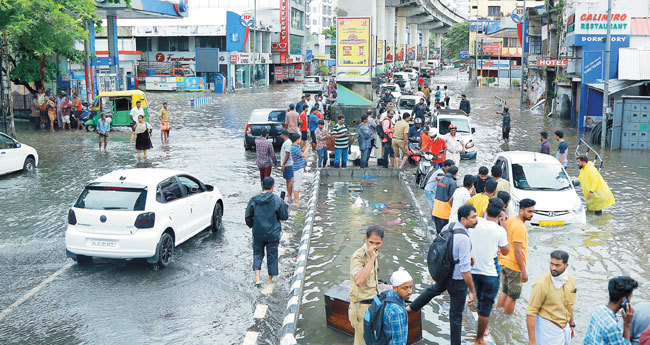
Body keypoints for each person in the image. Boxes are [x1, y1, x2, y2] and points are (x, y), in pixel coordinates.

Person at [407, 205, 478, 345]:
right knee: (455, 317)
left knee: (433, 290)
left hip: (444, 274)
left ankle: (411, 307)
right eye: (473, 217)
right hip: (457, 281)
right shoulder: (464, 239)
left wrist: (465, 257)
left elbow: (445, 248)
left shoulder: (449, 227)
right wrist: (472, 290)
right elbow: (465, 271)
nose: (476, 220)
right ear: (463, 219)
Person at [471, 198, 510, 345]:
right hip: (489, 272)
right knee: (486, 306)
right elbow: (506, 251)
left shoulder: (475, 222)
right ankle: (480, 337)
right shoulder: (499, 230)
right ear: (500, 214)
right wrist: (504, 227)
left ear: (486, 210)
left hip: (472, 269)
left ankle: (480, 317)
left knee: (479, 297)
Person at [245, 177, 289, 287]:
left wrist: (253, 226)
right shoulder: (277, 200)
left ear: (262, 185)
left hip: (258, 232)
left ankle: (257, 279)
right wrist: (284, 204)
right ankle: (269, 281)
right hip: (273, 233)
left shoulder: (254, 200)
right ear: (273, 187)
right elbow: (284, 216)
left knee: (257, 254)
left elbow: (248, 217)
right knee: (272, 255)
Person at [525, 250, 576, 345]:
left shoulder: (571, 281)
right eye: (552, 264)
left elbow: (571, 305)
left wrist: (571, 325)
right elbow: (531, 312)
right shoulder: (541, 284)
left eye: (557, 265)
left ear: (566, 265)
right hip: (547, 328)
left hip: (565, 328)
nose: (553, 268)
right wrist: (532, 340)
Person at [497, 198, 536, 315]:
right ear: (521, 211)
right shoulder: (520, 227)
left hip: (504, 261)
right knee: (513, 296)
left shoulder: (511, 220)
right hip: (514, 265)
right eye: (529, 211)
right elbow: (518, 251)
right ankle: (507, 319)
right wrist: (523, 271)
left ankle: (498, 314)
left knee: (504, 292)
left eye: (533, 211)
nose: (532, 214)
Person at [349, 226, 385, 345]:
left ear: (382, 242)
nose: (374, 246)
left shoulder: (374, 253)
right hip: (361, 307)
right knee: (361, 342)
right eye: (371, 242)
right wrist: (371, 259)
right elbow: (358, 281)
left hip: (373, 304)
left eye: (377, 243)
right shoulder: (359, 256)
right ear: (365, 239)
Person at [584, 276, 639, 344]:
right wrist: (627, 324)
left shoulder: (598, 310)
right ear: (624, 300)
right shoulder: (612, 327)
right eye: (630, 297)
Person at [380, 270, 413, 345]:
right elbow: (398, 342)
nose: (409, 291)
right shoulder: (397, 312)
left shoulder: (388, 294)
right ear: (395, 288)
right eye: (405, 288)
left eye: (411, 287)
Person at [432, 165, 459, 233]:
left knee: (438, 231)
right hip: (445, 212)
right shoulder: (452, 183)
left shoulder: (441, 179)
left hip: (436, 209)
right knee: (444, 232)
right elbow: (452, 198)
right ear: (455, 174)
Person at [290, 135, 309, 204]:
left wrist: (305, 147)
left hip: (296, 168)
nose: (300, 140)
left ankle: (296, 199)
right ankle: (296, 201)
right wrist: (307, 147)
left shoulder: (294, 147)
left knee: (296, 184)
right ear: (297, 140)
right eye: (299, 139)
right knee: (297, 185)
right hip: (298, 169)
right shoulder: (294, 148)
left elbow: (301, 152)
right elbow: (304, 155)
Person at [279, 130, 294, 203]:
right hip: (287, 164)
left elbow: (287, 155)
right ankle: (288, 194)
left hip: (288, 164)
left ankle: (290, 195)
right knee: (287, 180)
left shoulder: (287, 143)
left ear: (283, 135)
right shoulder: (287, 142)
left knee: (289, 180)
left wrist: (283, 165)